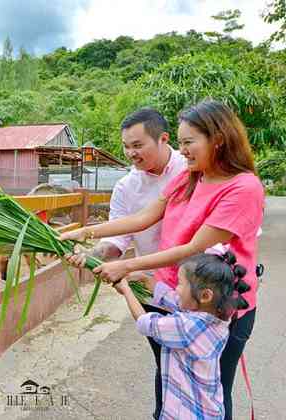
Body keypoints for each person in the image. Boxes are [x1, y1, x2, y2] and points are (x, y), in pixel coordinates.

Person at [61, 100, 264, 420]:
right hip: (174, 295)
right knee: (170, 378)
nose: (183, 151)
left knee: (211, 391)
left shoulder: (243, 187)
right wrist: (86, 232)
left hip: (215, 307)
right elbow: (143, 218)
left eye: (188, 142)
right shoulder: (190, 176)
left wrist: (126, 267)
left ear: (219, 138)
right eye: (181, 143)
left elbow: (193, 247)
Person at [115, 251, 250, 420]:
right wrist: (144, 278)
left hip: (187, 413)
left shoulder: (186, 327)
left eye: (180, 284)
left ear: (205, 295)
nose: (176, 289)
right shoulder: (214, 316)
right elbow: (170, 298)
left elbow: (145, 322)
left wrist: (126, 290)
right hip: (208, 410)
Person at [77, 108, 186, 263]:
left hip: (196, 276)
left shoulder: (189, 169)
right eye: (126, 146)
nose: (130, 153)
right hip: (149, 276)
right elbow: (116, 239)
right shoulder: (125, 187)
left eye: (137, 145)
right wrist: (90, 255)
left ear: (163, 138)